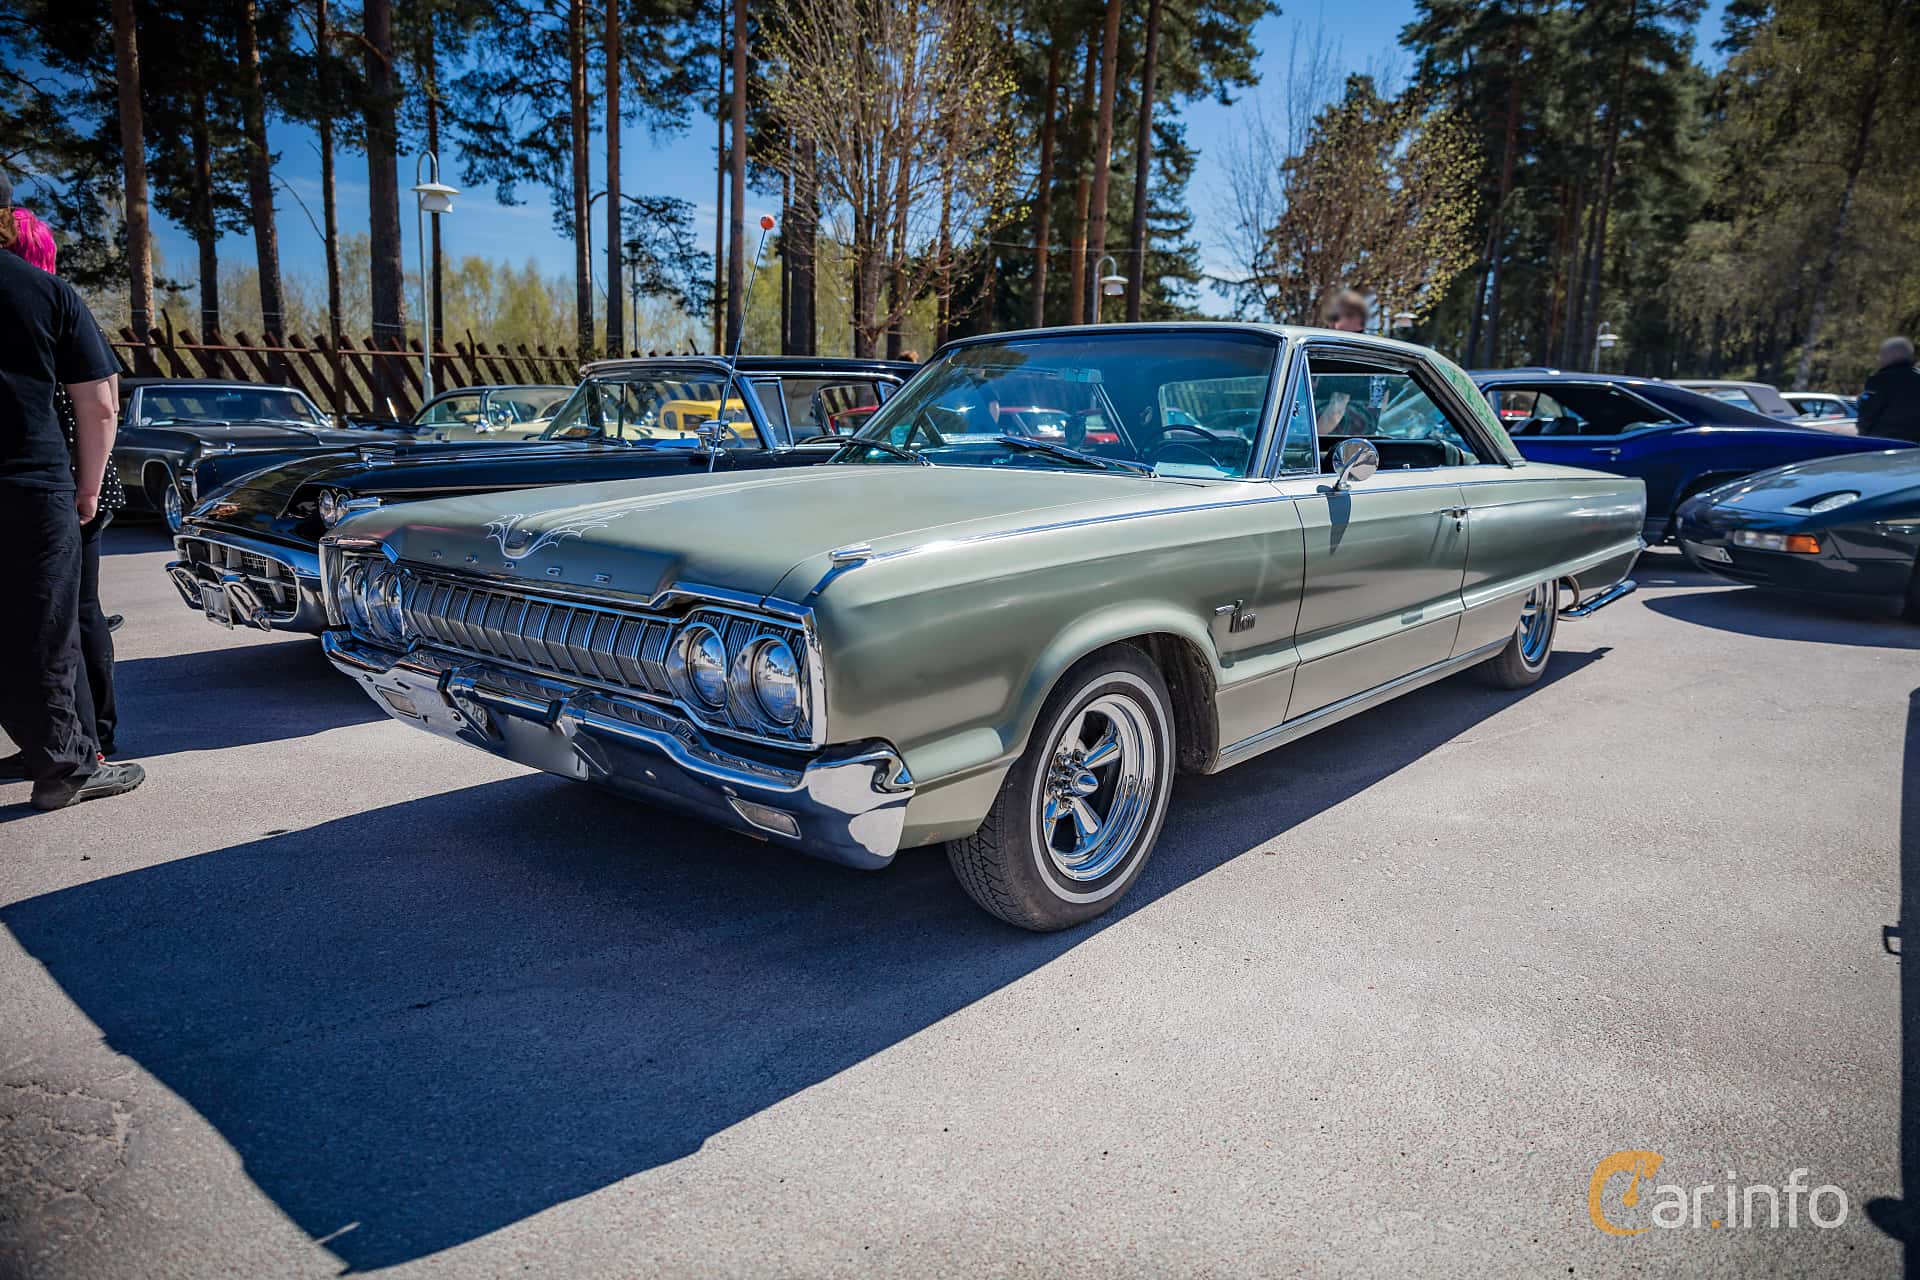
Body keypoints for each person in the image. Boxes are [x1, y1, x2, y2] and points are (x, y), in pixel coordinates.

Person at [0, 173, 145, 809]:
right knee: (45, 624)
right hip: (29, 480)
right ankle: (63, 768)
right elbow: (100, 402)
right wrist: (88, 487)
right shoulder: (42, 289)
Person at [1857, 336, 1920, 444]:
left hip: (1883, 444)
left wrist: (1863, 437)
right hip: (1915, 448)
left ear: (1890, 356)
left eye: (1882, 355)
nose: (1879, 358)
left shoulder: (1880, 380)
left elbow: (1867, 413)